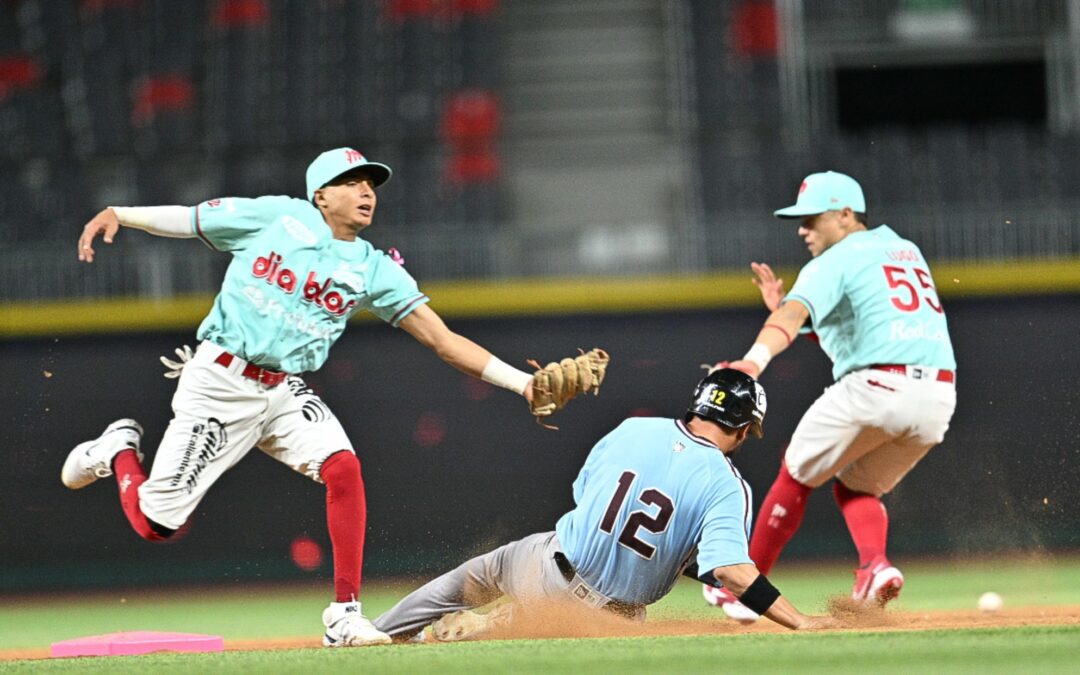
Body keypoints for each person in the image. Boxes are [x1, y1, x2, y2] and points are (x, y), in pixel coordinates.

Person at [61, 147, 594, 648]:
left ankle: (344, 615)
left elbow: (443, 339)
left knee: (343, 468)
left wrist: (523, 384)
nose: (366, 191)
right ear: (321, 195)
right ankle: (118, 449)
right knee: (157, 525)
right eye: (351, 182)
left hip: (283, 388)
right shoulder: (277, 218)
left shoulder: (373, 267)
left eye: (371, 184)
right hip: (221, 383)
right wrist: (120, 214)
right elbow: (191, 217)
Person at [371, 368, 837, 642]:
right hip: (605, 618)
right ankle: (491, 627)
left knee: (465, 581)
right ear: (742, 429)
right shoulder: (726, 482)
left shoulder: (635, 428)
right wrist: (798, 620)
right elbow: (732, 570)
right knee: (571, 626)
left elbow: (585, 495)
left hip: (545, 566)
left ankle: (376, 633)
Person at [704, 171, 957, 622]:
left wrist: (753, 361)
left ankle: (747, 588)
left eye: (812, 218)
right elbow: (858, 334)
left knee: (795, 474)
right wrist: (790, 317)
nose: (803, 229)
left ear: (844, 215)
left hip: (877, 387)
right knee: (857, 486)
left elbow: (796, 312)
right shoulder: (904, 250)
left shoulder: (833, 261)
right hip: (937, 396)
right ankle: (874, 567)